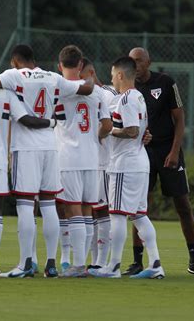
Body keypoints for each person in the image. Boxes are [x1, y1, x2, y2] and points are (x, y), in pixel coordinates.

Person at [0, 44, 94, 278]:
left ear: (15, 61)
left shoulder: (13, 76)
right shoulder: (53, 77)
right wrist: (89, 80)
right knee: (49, 205)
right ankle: (51, 264)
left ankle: (26, 262)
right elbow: (86, 89)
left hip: (26, 148)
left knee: (26, 204)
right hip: (51, 146)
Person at [127, 47, 194, 277]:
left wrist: (175, 151)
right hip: (141, 152)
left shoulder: (165, 82)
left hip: (168, 150)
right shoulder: (126, 87)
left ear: (148, 62)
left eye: (139, 61)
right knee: (139, 206)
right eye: (131, 61)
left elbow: (179, 118)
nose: (135, 65)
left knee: (183, 205)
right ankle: (136, 261)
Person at [89, 56, 164, 279]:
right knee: (139, 215)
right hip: (139, 163)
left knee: (118, 215)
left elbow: (131, 131)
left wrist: (110, 131)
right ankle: (156, 264)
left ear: (120, 75)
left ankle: (113, 267)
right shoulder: (139, 96)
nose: (112, 78)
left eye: (113, 74)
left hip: (125, 164)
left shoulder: (127, 99)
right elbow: (138, 131)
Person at [55, 46, 112, 277]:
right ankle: (87, 263)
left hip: (68, 157)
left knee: (73, 210)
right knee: (88, 210)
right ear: (80, 65)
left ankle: (77, 264)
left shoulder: (58, 89)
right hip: (92, 158)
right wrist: (93, 137)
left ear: (60, 66)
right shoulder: (97, 92)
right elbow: (107, 125)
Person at [79, 57, 119, 270]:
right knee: (91, 210)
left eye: (81, 76)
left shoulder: (108, 94)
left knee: (102, 210)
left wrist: (94, 137)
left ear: (91, 73)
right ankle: (94, 261)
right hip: (87, 161)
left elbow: (112, 125)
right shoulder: (83, 94)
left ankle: (102, 261)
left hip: (104, 160)